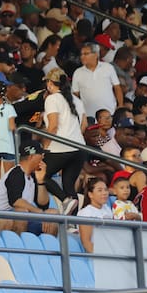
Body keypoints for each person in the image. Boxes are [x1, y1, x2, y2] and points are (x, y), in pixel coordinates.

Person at [40, 68, 88, 205]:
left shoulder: (52, 99)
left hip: (59, 148)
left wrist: (45, 148)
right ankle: (73, 223)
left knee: (40, 174)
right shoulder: (77, 100)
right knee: (68, 185)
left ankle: (65, 201)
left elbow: (53, 126)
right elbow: (83, 125)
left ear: (50, 83)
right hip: (79, 148)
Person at [0, 141, 54, 234]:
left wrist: (40, 181)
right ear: (31, 157)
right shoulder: (16, 173)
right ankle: (18, 246)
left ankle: (49, 247)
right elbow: (16, 201)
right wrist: (39, 212)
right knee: (21, 211)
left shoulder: (32, 176)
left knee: (53, 214)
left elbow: (43, 204)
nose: (43, 157)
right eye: (41, 154)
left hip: (15, 217)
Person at [76, 178, 113, 252]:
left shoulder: (107, 209)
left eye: (106, 190)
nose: (104, 193)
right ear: (90, 194)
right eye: (100, 190)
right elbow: (86, 242)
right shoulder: (86, 213)